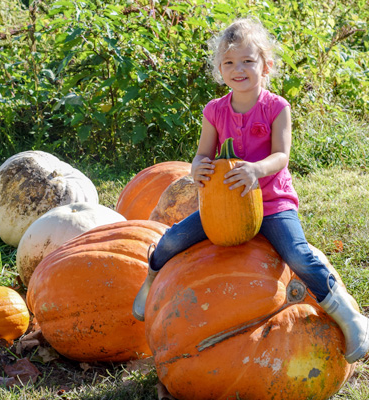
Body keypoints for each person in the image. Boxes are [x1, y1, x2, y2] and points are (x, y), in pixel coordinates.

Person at [132, 17, 369, 364]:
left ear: (266, 65)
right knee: (172, 239)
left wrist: (256, 170)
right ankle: (151, 281)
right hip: (224, 205)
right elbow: (203, 153)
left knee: (299, 255)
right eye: (228, 62)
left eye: (247, 61)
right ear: (219, 69)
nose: (238, 69)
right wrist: (198, 166)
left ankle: (351, 316)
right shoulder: (214, 111)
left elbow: (281, 155)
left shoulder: (277, 108)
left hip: (272, 202)